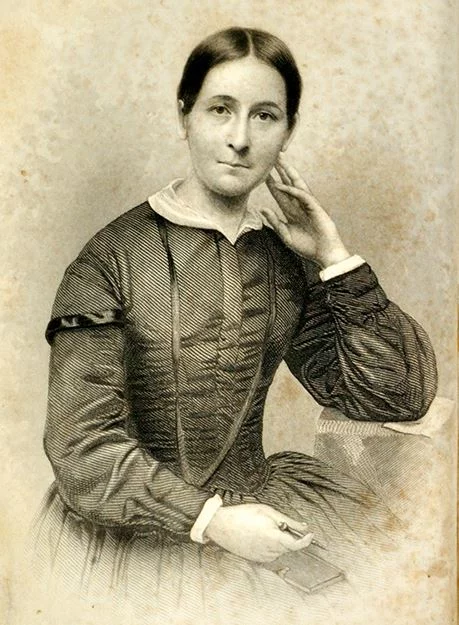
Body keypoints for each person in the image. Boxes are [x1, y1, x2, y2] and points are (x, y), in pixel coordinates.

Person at [32, 26, 437, 625]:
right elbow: (80, 447)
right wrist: (212, 520)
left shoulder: (283, 257)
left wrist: (333, 257)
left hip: (267, 505)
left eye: (264, 116)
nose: (240, 139)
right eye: (220, 109)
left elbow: (397, 396)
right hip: (133, 538)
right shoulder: (110, 259)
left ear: (287, 131)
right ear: (185, 115)